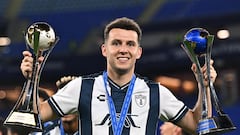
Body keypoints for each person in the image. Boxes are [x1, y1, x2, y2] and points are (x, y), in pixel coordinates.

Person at [20, 17, 217, 135]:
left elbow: (196, 126)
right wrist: (31, 81)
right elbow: (34, 117)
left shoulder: (156, 93)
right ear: (104, 49)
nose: (123, 49)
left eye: (130, 44)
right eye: (116, 43)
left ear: (138, 51)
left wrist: (204, 86)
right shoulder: (81, 88)